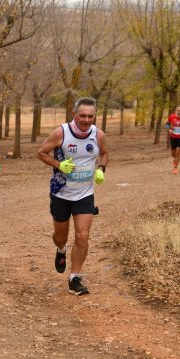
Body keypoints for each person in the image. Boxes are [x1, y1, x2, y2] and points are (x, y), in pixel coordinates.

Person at [37, 97, 109, 295]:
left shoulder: (98, 134)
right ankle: (61, 250)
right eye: (82, 116)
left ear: (95, 116)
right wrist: (59, 165)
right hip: (61, 193)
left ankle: (75, 277)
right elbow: (41, 153)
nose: (86, 120)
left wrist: (101, 168)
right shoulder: (61, 133)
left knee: (82, 235)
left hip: (85, 194)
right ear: (74, 115)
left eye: (90, 116)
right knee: (60, 236)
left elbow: (104, 153)